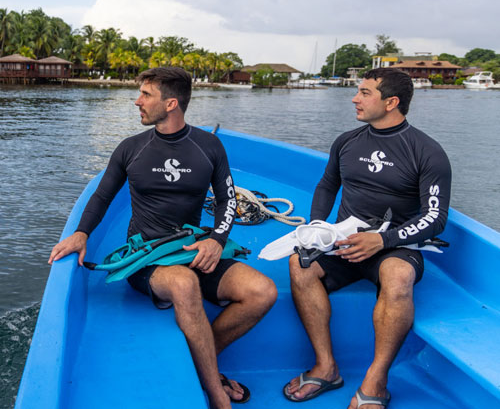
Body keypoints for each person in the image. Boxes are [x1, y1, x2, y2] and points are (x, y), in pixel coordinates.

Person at [49, 67, 277, 409]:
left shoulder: (208, 146)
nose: (137, 101)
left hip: (192, 246)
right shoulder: (132, 148)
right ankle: (216, 391)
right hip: (148, 257)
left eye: (146, 95)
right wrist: (81, 234)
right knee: (184, 284)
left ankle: (202, 360)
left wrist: (216, 240)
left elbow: (228, 199)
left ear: (171, 103)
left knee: (263, 291)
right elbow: (102, 196)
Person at [284, 68, 452, 408]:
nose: (354, 98)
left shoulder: (427, 152)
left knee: (399, 276)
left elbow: (435, 218)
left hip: (395, 246)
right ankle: (326, 366)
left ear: (391, 102)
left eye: (364, 93)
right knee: (299, 264)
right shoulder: (347, 141)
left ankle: (376, 381)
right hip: (344, 243)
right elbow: (328, 184)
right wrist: (319, 227)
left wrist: (384, 240)